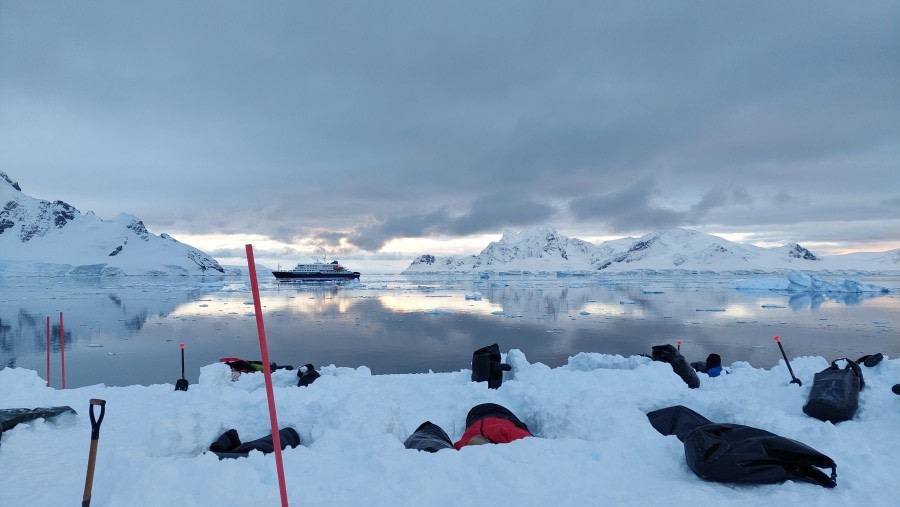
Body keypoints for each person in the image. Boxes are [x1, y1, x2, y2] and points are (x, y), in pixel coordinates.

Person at [403, 403, 533, 452]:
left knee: (433, 443)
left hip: (482, 417)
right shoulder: (512, 436)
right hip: (494, 416)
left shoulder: (464, 447)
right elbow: (534, 444)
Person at [453, 403, 533, 449]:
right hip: (475, 417)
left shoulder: (504, 433)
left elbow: (531, 442)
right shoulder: (463, 444)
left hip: (498, 414)